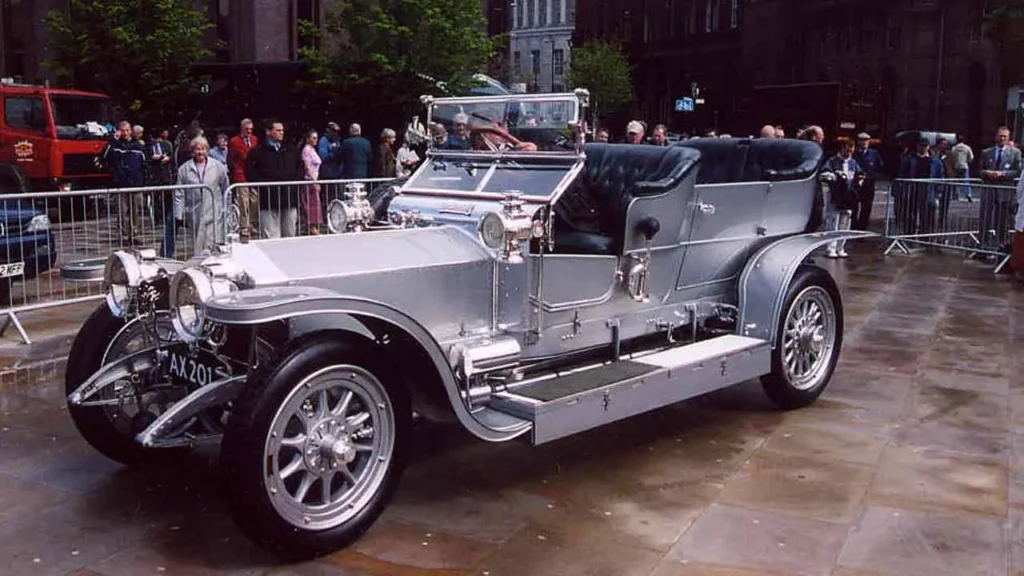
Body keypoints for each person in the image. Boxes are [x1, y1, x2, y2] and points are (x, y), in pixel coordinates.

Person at [245, 120, 304, 239]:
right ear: (268, 132)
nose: (281, 133)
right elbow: (250, 172)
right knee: (270, 236)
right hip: (268, 199)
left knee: (290, 234)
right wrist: (262, 186)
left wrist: (293, 186)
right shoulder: (257, 152)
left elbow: (300, 168)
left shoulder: (292, 150)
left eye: (282, 130)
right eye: (278, 130)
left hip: (288, 198)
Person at [173, 136, 230, 256]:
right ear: (192, 151)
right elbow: (179, 192)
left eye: (203, 149)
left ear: (207, 150)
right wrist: (178, 213)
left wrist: (226, 206)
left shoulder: (217, 166)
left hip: (214, 209)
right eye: (197, 149)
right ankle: (199, 265)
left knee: (213, 240)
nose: (201, 152)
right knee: (197, 241)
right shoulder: (184, 169)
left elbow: (226, 186)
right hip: (194, 210)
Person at [102, 120, 148, 245]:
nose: (125, 133)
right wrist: (112, 140)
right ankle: (123, 235)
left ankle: (135, 234)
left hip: (135, 184)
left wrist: (144, 181)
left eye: (127, 130)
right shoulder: (114, 145)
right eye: (123, 131)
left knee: (135, 211)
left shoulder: (138, 146)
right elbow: (104, 157)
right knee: (121, 212)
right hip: (120, 184)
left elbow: (145, 164)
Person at [823, 140, 863, 258]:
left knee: (845, 222)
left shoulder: (853, 162)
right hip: (836, 196)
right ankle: (830, 248)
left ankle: (841, 247)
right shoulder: (832, 161)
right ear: (842, 148)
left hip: (849, 196)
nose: (850, 152)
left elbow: (860, 174)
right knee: (833, 221)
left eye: (852, 149)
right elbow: (824, 173)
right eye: (847, 149)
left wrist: (859, 181)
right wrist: (834, 177)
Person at [227, 118, 259, 241]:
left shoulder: (255, 140)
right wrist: (235, 169)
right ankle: (244, 226)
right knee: (244, 201)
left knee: (254, 200)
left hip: (253, 174)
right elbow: (231, 158)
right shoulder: (234, 141)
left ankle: (252, 222)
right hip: (240, 174)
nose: (249, 131)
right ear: (242, 129)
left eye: (251, 129)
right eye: (247, 129)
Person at [852, 132, 884, 231]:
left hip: (868, 185)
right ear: (858, 142)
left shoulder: (874, 154)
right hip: (855, 184)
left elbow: (879, 167)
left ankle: (862, 230)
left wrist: (873, 177)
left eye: (866, 140)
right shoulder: (854, 153)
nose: (864, 142)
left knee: (866, 209)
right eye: (862, 140)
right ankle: (853, 228)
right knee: (853, 208)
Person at [301, 129, 323, 235]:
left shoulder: (312, 149)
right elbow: (307, 166)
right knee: (311, 205)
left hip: (314, 179)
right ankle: (311, 227)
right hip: (309, 180)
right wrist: (314, 181)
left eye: (316, 138)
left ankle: (313, 226)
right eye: (313, 138)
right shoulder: (306, 150)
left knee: (315, 204)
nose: (316, 140)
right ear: (308, 139)